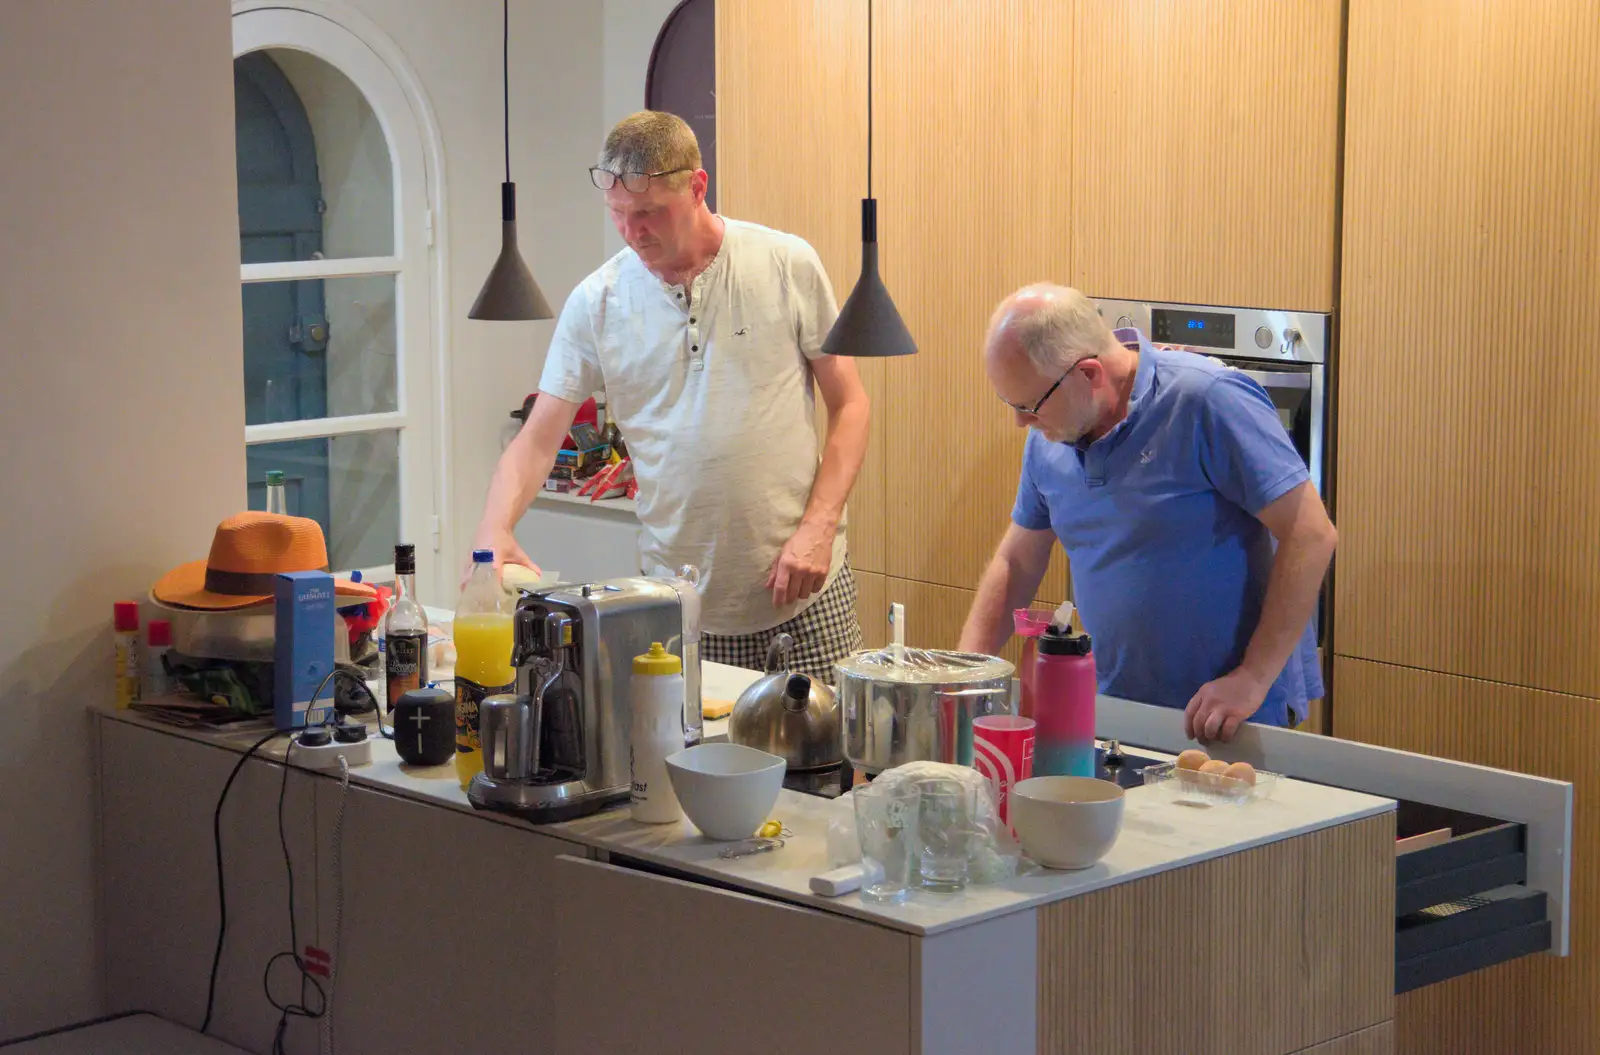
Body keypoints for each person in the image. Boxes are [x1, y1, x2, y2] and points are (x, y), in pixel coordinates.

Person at [470, 111, 870, 682]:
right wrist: (493, 529)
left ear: (697, 187)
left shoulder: (785, 264)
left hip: (803, 591)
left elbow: (850, 404)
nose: (634, 232)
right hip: (676, 605)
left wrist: (819, 527)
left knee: (827, 764)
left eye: (650, 212)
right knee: (684, 768)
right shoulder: (598, 301)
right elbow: (537, 444)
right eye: (619, 215)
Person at [957, 284, 1336, 742]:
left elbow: (1311, 534)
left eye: (1027, 405)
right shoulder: (1051, 435)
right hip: (1119, 711)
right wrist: (965, 678)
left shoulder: (1207, 400)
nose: (1021, 423)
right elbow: (1017, 562)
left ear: (1090, 374)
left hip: (1230, 713)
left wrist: (1252, 678)